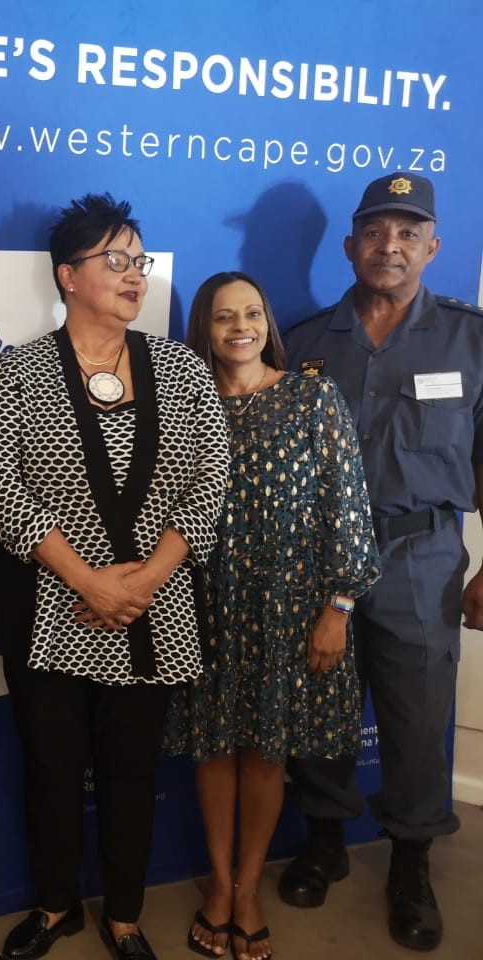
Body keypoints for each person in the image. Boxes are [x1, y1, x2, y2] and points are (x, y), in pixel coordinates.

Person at [0, 193, 229, 960]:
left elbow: (210, 474)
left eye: (139, 261)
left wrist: (144, 580)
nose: (133, 276)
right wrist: (88, 580)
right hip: (49, 610)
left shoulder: (181, 368)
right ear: (68, 275)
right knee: (50, 771)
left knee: (129, 774)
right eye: (114, 260)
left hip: (152, 612)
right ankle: (56, 907)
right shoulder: (17, 370)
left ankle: (124, 916)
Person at [279, 173, 483, 952]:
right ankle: (325, 840)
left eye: (407, 233)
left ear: (432, 246)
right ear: (350, 245)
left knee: (417, 711)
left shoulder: (471, 339)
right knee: (321, 704)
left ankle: (411, 861)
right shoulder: (302, 342)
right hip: (319, 556)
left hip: (419, 553)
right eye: (375, 231)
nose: (388, 246)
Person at [164, 271, 381, 960]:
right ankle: (220, 886)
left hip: (290, 609)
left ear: (268, 323)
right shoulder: (186, 409)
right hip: (205, 606)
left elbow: (347, 510)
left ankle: (250, 887)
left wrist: (338, 607)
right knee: (213, 747)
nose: (240, 326)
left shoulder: (313, 397)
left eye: (252, 312)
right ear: (205, 327)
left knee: (264, 751)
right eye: (224, 316)